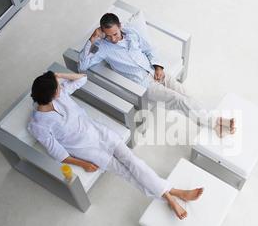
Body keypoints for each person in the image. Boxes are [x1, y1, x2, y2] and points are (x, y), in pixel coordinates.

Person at [27, 71, 203, 220]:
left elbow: (82, 78)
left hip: (101, 133)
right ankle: (171, 197)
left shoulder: (60, 95)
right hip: (88, 151)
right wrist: (83, 163)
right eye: (57, 86)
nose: (60, 85)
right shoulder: (38, 125)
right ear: (50, 96)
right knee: (127, 173)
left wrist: (55, 75)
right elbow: (58, 153)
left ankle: (174, 194)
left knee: (134, 162)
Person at [78, 13, 236, 138]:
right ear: (102, 33)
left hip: (155, 71)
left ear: (120, 26)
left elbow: (149, 50)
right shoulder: (103, 47)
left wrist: (158, 66)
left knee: (186, 95)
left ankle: (214, 126)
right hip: (144, 85)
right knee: (179, 99)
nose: (113, 39)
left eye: (115, 34)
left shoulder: (132, 33)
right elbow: (82, 65)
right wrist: (92, 38)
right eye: (108, 35)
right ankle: (218, 120)